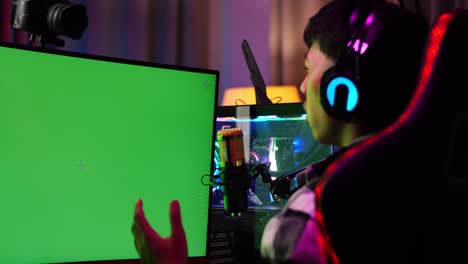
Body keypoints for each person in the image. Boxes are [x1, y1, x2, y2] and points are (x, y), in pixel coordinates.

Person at [131, 1, 429, 263]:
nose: (301, 87)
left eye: (309, 69)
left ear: (342, 89)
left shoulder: (310, 221)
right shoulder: (421, 181)